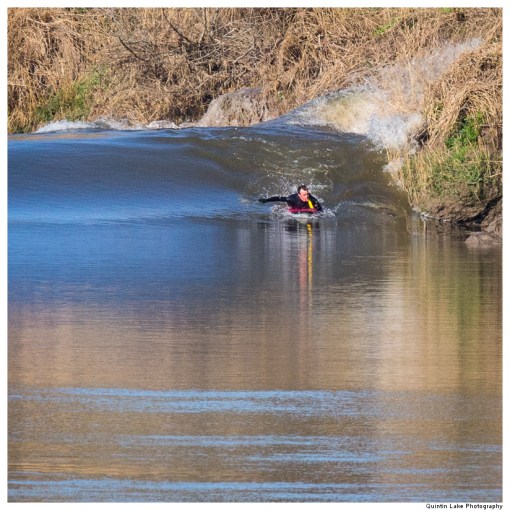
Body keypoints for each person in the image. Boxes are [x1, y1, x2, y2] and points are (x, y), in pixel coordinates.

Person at [258, 185, 323, 212]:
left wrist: (316, 211)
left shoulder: (312, 199)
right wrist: (266, 200)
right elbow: (279, 198)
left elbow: (320, 210)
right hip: (294, 205)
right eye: (304, 195)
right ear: (299, 195)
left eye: (307, 194)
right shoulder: (292, 199)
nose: (307, 196)